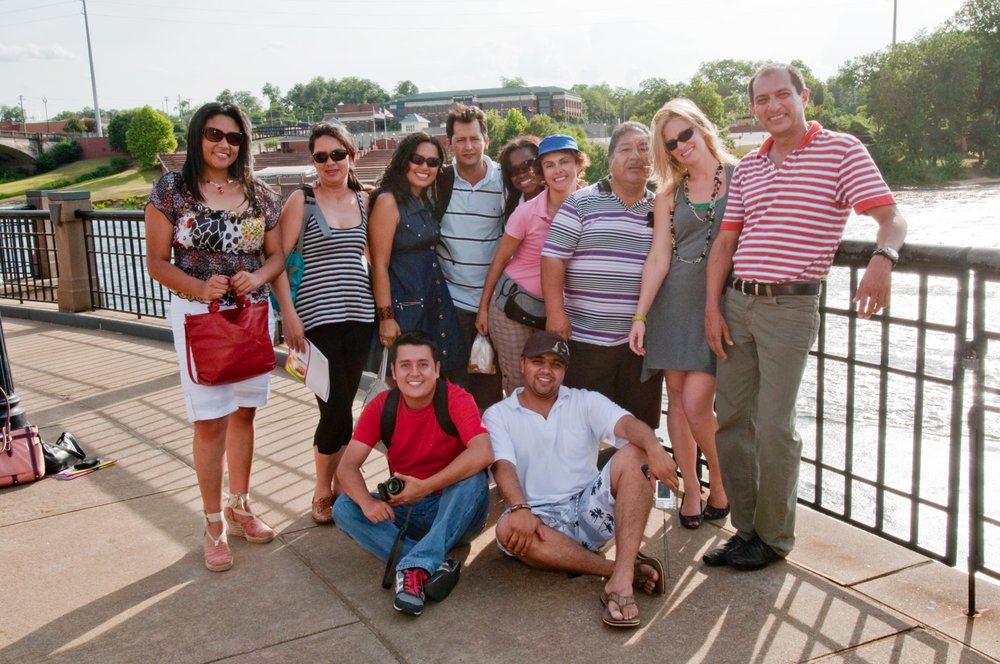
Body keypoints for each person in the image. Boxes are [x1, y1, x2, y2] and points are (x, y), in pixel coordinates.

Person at [703, 63, 907, 570]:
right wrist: (712, 308)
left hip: (790, 307)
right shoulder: (750, 166)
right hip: (737, 303)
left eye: (782, 95)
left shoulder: (841, 151)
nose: (773, 106)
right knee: (732, 420)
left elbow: (890, 217)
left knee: (775, 426)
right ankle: (744, 530)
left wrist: (883, 260)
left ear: (803, 96)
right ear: (753, 108)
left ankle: (773, 539)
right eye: (762, 100)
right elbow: (726, 243)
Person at [145, 102, 284, 572]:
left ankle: (239, 505)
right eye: (214, 134)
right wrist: (199, 287)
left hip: (250, 315)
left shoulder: (261, 194)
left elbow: (275, 257)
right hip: (199, 318)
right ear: (198, 137)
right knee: (210, 420)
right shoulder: (171, 190)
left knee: (245, 413)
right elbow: (157, 262)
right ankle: (212, 523)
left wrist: (256, 276)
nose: (224, 144)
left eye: (234, 137)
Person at [483, 331, 679, 628]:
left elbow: (628, 425)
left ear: (565, 370)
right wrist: (520, 507)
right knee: (508, 528)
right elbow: (503, 466)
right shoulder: (499, 414)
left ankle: (620, 579)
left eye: (556, 364)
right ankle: (622, 571)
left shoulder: (584, 401)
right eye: (538, 361)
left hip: (588, 509)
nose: (547, 370)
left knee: (637, 454)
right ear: (522, 363)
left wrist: (655, 448)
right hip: (537, 517)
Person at [628, 99, 735, 529]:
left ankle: (722, 483)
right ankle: (692, 487)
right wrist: (640, 317)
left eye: (685, 134)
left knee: (696, 404)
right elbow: (659, 257)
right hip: (671, 305)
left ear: (702, 127)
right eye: (671, 144)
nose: (681, 146)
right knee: (677, 400)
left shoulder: (743, 177)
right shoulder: (670, 195)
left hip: (719, 305)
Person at [333, 332, 493, 616]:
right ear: (394, 372)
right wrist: (368, 503)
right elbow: (346, 466)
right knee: (345, 507)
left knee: (474, 480)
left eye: (423, 364)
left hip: (456, 510)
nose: (415, 373)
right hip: (408, 511)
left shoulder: (456, 398)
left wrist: (425, 486)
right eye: (405, 365)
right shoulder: (382, 405)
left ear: (437, 369)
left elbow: (483, 452)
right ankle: (427, 564)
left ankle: (412, 565)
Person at [271, 123, 374, 525]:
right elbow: (277, 261)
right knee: (333, 408)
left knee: (344, 405)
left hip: (360, 316)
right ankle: (322, 488)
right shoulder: (303, 200)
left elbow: (374, 259)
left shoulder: (365, 200)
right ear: (312, 161)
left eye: (338, 154)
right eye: (321, 156)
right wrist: (288, 315)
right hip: (315, 319)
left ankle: (341, 484)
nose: (330, 163)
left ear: (352, 155)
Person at [540, 122, 664, 429]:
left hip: (640, 341)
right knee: (582, 426)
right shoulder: (581, 202)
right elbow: (553, 258)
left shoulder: (662, 207)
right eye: (626, 149)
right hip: (585, 339)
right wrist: (555, 313)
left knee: (638, 426)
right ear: (610, 161)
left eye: (644, 148)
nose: (636, 156)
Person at [476, 134, 589, 394]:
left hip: (560, 311)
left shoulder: (591, 206)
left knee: (556, 383)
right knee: (520, 382)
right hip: (513, 309)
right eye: (549, 165)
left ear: (578, 164)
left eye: (565, 162)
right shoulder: (527, 212)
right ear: (542, 173)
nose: (558, 171)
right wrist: (482, 309)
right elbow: (499, 261)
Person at [368, 132, 467, 373]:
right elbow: (379, 265)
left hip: (433, 300)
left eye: (432, 162)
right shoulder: (388, 201)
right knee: (406, 375)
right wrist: (386, 317)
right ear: (404, 161)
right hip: (404, 308)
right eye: (418, 159)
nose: (425, 167)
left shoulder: (424, 200)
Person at [435, 103, 505, 409]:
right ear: (449, 143)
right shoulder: (439, 181)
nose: (468, 146)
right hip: (453, 304)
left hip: (497, 305)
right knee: (456, 391)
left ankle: (489, 441)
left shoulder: (505, 180)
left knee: (492, 392)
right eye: (460, 140)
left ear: (486, 140)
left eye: (474, 139)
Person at [497, 135, 543, 221]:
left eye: (526, 164)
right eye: (513, 170)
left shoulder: (561, 200)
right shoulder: (509, 205)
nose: (521, 174)